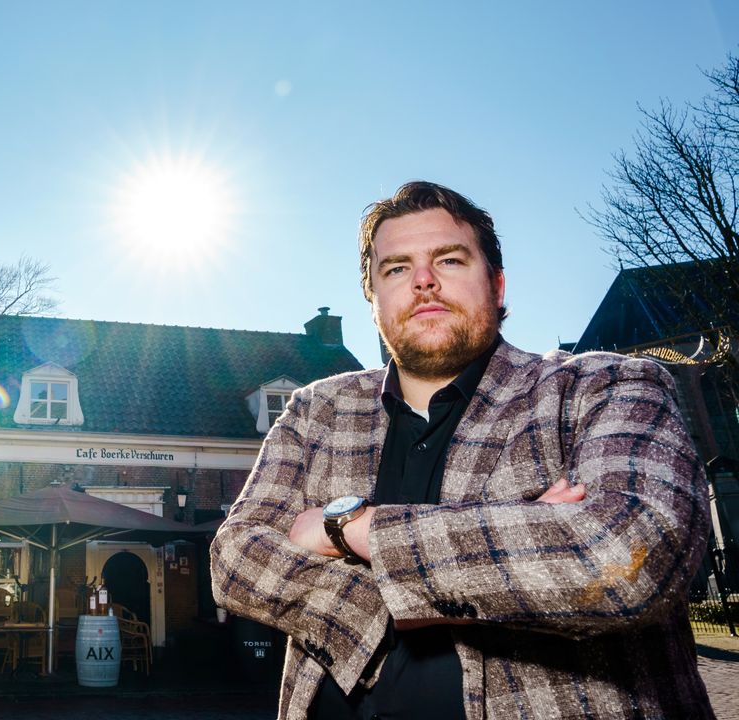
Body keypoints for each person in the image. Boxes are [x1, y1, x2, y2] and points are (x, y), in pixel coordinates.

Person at [211, 181, 714, 719]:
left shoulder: (605, 386)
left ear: (497, 286)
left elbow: (629, 554)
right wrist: (503, 558)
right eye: (397, 268)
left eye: (449, 260)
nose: (423, 280)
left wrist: (348, 529)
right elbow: (235, 559)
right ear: (375, 300)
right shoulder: (317, 410)